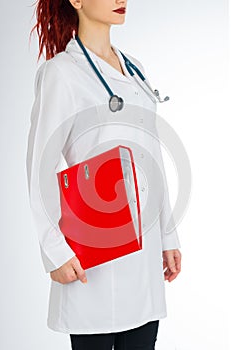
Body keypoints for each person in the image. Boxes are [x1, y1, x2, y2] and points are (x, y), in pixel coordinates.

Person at [26, 0, 182, 349]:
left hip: (144, 257)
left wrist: (168, 235)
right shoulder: (62, 73)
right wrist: (55, 251)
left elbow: (151, 154)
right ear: (76, 1)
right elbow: (40, 165)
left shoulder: (135, 70)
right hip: (92, 256)